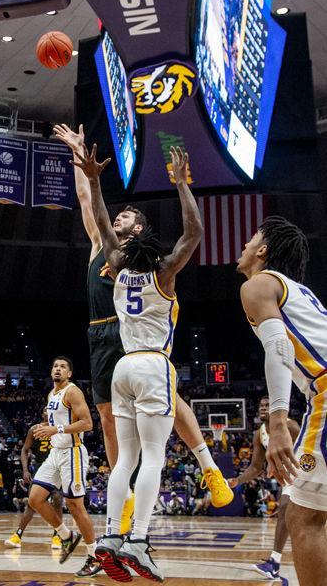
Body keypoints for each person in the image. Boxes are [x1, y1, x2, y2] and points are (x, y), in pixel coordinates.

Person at [53, 124, 232, 534]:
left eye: (126, 215)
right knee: (108, 420)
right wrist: (82, 161)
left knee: (171, 396)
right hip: (99, 334)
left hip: (130, 332)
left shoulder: (138, 262)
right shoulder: (104, 247)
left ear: (137, 230)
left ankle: (208, 466)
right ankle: (126, 498)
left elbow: (189, 235)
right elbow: (88, 198)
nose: (118, 216)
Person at [75, 144, 202, 582]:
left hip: (121, 369)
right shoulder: (164, 272)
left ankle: (111, 536)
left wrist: (94, 178)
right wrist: (182, 184)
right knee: (153, 457)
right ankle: (140, 541)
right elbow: (194, 233)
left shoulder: (115, 265)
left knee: (124, 458)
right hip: (152, 366)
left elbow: (106, 232)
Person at [237, 215, 327, 586]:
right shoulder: (299, 292)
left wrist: (277, 423)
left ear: (263, 251)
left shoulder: (259, 283)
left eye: (250, 241)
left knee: (306, 517)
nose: (242, 247)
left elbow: (277, 347)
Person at [28, 356, 100, 578]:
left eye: (62, 367)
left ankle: (94, 556)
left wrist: (55, 429)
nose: (57, 369)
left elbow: (87, 423)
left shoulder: (72, 391)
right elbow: (56, 424)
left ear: (69, 373)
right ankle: (66, 536)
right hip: (55, 452)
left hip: (73, 453)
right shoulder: (52, 394)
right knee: (35, 499)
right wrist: (46, 427)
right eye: (55, 366)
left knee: (75, 505)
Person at [228, 396, 300, 579]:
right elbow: (255, 467)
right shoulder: (259, 434)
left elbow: (307, 449)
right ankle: (274, 564)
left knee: (289, 511)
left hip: (305, 473)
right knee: (285, 509)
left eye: (268, 405)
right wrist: (238, 480)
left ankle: (275, 563)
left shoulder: (290, 426)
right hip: (290, 479)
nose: (263, 408)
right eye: (261, 405)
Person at [4, 410, 64, 551]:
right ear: (42, 414)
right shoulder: (34, 429)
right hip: (40, 468)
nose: (47, 411)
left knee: (56, 499)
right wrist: (25, 470)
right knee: (32, 502)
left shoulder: (60, 428)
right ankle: (17, 536)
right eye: (44, 409)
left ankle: (58, 536)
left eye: (50, 409)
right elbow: (25, 450)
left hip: (57, 467)